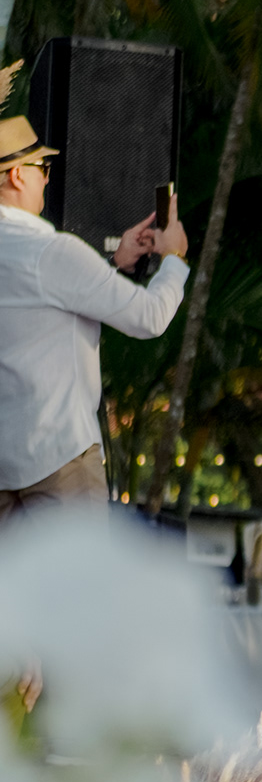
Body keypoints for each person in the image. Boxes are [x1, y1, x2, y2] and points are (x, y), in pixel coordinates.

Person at [0, 112, 189, 521]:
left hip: (4, 466)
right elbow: (150, 317)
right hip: (58, 461)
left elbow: (38, 303)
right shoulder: (51, 252)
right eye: (42, 168)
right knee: (78, 567)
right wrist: (174, 258)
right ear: (16, 175)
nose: (46, 179)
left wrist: (112, 265)